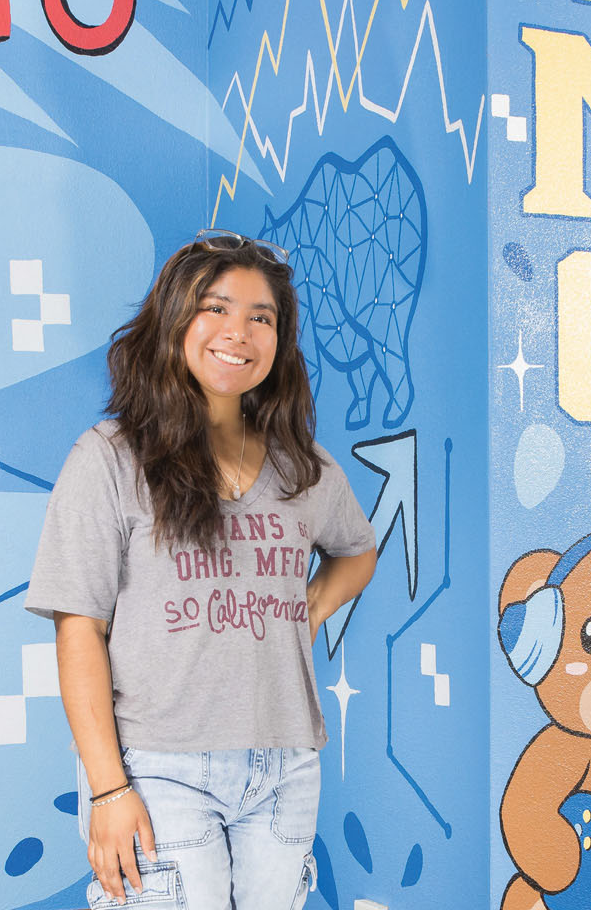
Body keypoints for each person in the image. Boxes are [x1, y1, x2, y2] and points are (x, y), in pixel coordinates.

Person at [26, 230, 379, 910]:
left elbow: (356, 552)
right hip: (157, 767)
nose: (237, 332)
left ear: (279, 341)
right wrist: (108, 789)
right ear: (175, 320)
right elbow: (78, 631)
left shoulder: (303, 467)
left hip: (284, 768)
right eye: (215, 308)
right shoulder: (109, 459)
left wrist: (305, 611)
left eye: (261, 317)